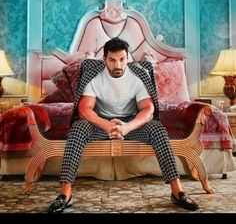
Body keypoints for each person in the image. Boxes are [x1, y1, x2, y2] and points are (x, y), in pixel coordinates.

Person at [48, 37, 199, 213]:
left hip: (131, 123)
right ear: (104, 60)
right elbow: (84, 110)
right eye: (112, 60)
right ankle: (65, 194)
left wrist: (127, 127)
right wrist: (106, 125)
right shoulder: (93, 74)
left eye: (122, 59)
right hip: (101, 122)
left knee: (157, 129)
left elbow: (148, 109)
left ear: (128, 58)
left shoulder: (138, 75)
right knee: (78, 128)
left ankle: (177, 191)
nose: (117, 65)